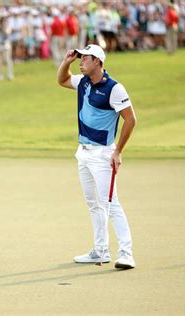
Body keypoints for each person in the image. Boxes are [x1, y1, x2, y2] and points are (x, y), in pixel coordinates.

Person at [57, 44, 137, 269]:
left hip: (103, 154)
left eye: (85, 58)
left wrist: (118, 151)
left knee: (111, 203)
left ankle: (126, 253)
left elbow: (130, 120)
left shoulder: (114, 88)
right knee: (93, 203)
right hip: (83, 152)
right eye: (80, 58)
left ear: (98, 62)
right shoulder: (83, 82)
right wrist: (67, 61)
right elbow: (62, 80)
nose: (81, 61)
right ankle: (100, 251)